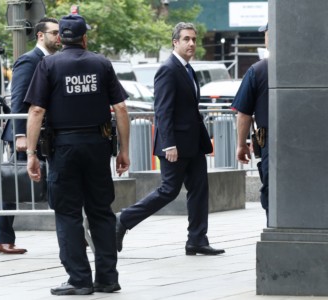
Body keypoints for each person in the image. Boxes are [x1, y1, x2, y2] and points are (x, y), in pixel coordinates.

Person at [25, 14, 130, 296]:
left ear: (61, 39)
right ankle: (107, 278)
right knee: (101, 212)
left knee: (68, 214)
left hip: (64, 149)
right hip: (98, 145)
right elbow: (120, 108)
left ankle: (79, 279)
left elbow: (36, 111)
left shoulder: (48, 64)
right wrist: (124, 150)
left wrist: (31, 153)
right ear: (85, 38)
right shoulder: (102, 64)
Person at [115, 22, 225, 257]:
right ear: (175, 42)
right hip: (175, 144)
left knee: (200, 190)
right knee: (168, 190)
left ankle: (197, 239)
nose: (192, 44)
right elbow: (163, 111)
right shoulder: (168, 69)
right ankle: (123, 219)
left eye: (194, 39)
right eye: (186, 39)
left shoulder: (187, 69)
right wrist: (169, 144)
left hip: (194, 144)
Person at [0, 17, 61, 255]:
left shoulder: (56, 61)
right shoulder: (28, 60)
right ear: (40, 35)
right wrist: (20, 134)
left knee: (58, 181)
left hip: (46, 133)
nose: (59, 37)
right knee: (12, 184)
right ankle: (1, 239)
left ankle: (76, 233)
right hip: (25, 136)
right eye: (54, 33)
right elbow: (18, 99)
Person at [232, 23, 269, 224]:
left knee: (271, 188)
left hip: (269, 141)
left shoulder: (258, 70)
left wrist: (241, 144)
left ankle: (274, 229)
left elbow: (244, 113)